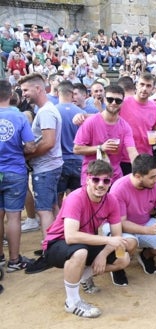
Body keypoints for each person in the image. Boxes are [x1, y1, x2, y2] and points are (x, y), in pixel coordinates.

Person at [42, 160, 130, 318]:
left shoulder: (111, 201)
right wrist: (107, 241)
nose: (101, 184)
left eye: (106, 180)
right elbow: (71, 236)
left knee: (123, 257)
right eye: (96, 179)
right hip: (57, 243)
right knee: (80, 252)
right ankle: (72, 302)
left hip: (85, 242)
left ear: (110, 182)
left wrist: (103, 255)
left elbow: (117, 236)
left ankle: (83, 275)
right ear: (88, 179)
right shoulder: (75, 198)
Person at [108, 154, 156, 283]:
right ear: (138, 176)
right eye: (152, 177)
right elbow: (120, 223)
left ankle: (145, 256)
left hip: (144, 223)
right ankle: (117, 266)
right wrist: (148, 231)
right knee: (129, 243)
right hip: (117, 227)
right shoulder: (119, 188)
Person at [19, 73, 63, 240]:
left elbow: (48, 142)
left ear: (38, 88)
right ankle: (56, 244)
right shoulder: (46, 110)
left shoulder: (46, 112)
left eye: (25, 90)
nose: (23, 94)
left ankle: (49, 250)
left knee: (44, 210)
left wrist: (27, 157)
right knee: (52, 207)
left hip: (46, 168)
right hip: (50, 166)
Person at [0, 79, 36, 272]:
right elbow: (30, 146)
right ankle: (14, 260)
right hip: (15, 170)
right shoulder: (20, 117)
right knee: (14, 217)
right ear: (11, 96)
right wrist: (18, 150)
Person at [74, 84, 138, 185]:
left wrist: (139, 169)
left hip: (114, 177)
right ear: (104, 100)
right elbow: (77, 149)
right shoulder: (91, 122)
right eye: (110, 99)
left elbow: (132, 151)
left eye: (118, 101)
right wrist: (101, 148)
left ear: (122, 103)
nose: (113, 103)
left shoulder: (125, 127)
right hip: (92, 178)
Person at [119, 73, 156, 175]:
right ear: (136, 85)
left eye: (148, 86)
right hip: (124, 158)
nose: (144, 88)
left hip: (145, 158)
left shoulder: (155, 108)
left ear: (153, 89)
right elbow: (105, 117)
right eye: (142, 84)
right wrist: (83, 116)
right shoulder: (123, 103)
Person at [55, 81, 86, 206]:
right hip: (78, 158)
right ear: (72, 94)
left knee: (58, 196)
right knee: (74, 197)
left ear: (58, 93)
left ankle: (59, 222)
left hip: (60, 160)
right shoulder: (80, 113)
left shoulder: (53, 111)